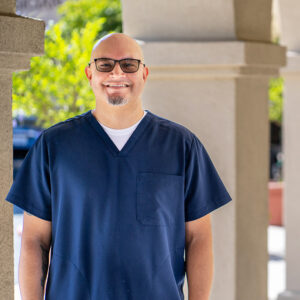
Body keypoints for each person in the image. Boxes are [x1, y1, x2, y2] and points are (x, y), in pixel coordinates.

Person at [5, 33, 232, 300]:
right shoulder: (53, 146)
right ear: (90, 74)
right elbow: (34, 241)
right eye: (104, 64)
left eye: (128, 64)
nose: (116, 72)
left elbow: (199, 239)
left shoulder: (182, 146)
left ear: (144, 74)